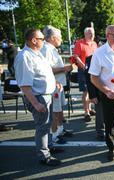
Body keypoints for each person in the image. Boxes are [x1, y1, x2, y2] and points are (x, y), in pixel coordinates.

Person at [14, 28, 64, 166]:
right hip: (38, 97)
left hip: (46, 95)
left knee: (48, 124)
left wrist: (55, 82)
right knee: (42, 126)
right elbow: (24, 84)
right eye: (42, 38)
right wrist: (35, 103)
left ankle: (49, 146)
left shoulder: (36, 54)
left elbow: (44, 73)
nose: (44, 41)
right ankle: (44, 155)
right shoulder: (24, 57)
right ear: (34, 40)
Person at [89, 25, 114, 161]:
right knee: (110, 122)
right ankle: (111, 148)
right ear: (107, 36)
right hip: (108, 94)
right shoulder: (99, 53)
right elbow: (93, 77)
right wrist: (106, 91)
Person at [41, 26, 73, 144]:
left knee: (58, 108)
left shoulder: (51, 48)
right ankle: (54, 136)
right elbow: (47, 69)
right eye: (59, 37)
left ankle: (59, 130)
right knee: (54, 110)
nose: (61, 39)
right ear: (53, 38)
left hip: (57, 84)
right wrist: (64, 68)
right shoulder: (46, 49)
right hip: (53, 84)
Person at [73, 27, 97, 122]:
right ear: (85, 34)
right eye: (90, 33)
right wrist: (83, 66)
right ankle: (86, 112)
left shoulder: (94, 44)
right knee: (86, 91)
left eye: (93, 33)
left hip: (93, 70)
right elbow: (76, 56)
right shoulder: (79, 43)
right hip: (83, 70)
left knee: (92, 90)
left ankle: (90, 109)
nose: (92, 35)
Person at [84, 55, 105, 141]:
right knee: (100, 112)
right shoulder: (92, 58)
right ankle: (101, 132)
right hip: (99, 90)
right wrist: (92, 95)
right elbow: (88, 78)